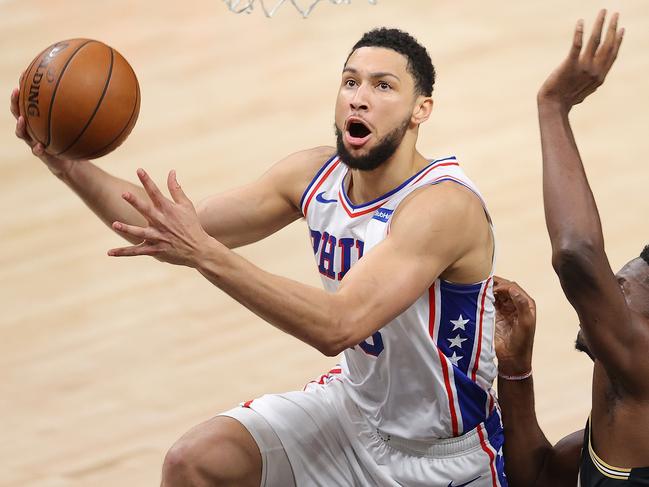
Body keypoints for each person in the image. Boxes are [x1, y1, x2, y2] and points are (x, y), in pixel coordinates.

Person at [12, 28, 504, 486]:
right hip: (354, 414)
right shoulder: (315, 175)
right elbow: (169, 227)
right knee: (194, 463)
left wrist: (205, 254)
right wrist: (63, 163)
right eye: (350, 81)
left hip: (440, 457)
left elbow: (338, 325)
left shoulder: (442, 206)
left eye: (383, 86)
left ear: (421, 109)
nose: (359, 96)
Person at [495, 10, 649, 486]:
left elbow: (577, 254)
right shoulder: (608, 428)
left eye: (626, 286)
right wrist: (517, 369)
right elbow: (537, 478)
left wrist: (554, 106)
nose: (612, 283)